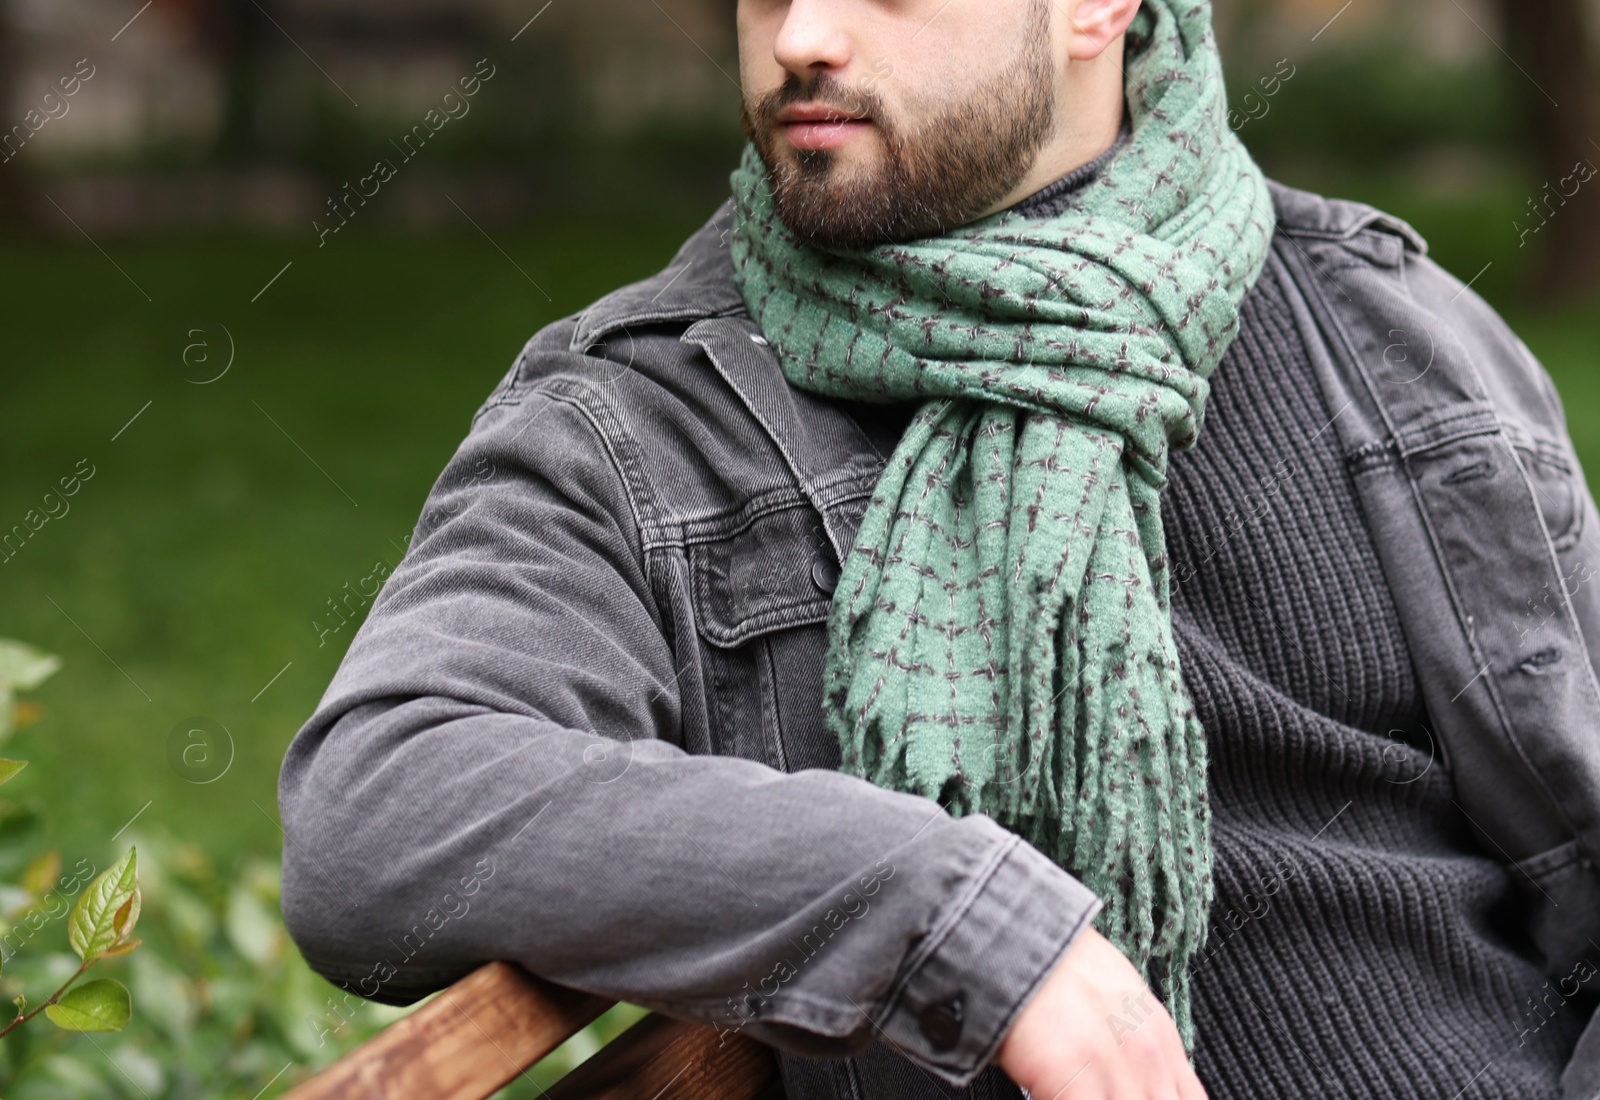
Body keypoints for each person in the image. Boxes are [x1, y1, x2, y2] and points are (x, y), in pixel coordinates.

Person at [277, 0, 1600, 1096]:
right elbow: (381, 813)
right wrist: (958, 917)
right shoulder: (640, 423)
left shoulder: (1384, 335)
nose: (799, 35)